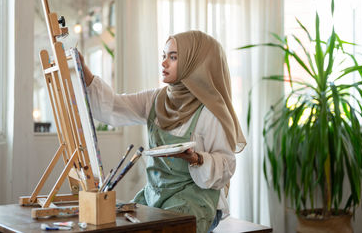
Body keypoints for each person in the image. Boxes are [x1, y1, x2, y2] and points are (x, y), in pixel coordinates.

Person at [81, 30, 247, 233]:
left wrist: (195, 158)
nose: (164, 63)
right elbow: (113, 107)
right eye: (164, 56)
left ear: (194, 63)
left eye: (174, 57)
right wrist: (83, 70)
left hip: (196, 203)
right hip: (156, 198)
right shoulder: (156, 99)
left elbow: (226, 164)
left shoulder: (209, 112)